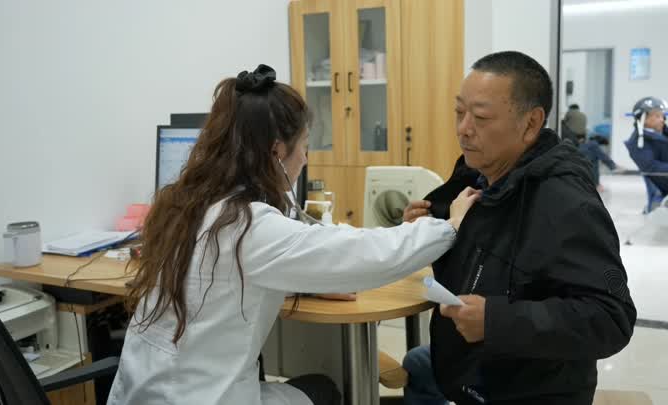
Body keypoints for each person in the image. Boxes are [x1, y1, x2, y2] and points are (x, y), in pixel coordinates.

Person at [106, 64, 479, 405]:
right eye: (304, 146)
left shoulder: (183, 207)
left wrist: (304, 282)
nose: (305, 158)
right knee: (324, 389)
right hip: (206, 397)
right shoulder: (250, 226)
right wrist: (447, 226)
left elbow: (225, 277)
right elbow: (363, 255)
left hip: (140, 394)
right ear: (276, 152)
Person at [401, 51, 636, 405]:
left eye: (480, 117)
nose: (464, 128)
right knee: (418, 364)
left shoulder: (565, 201)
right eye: (459, 112)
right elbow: (482, 259)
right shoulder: (479, 174)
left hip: (532, 388)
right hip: (477, 366)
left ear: (530, 124)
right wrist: (433, 228)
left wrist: (495, 321)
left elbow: (611, 318)